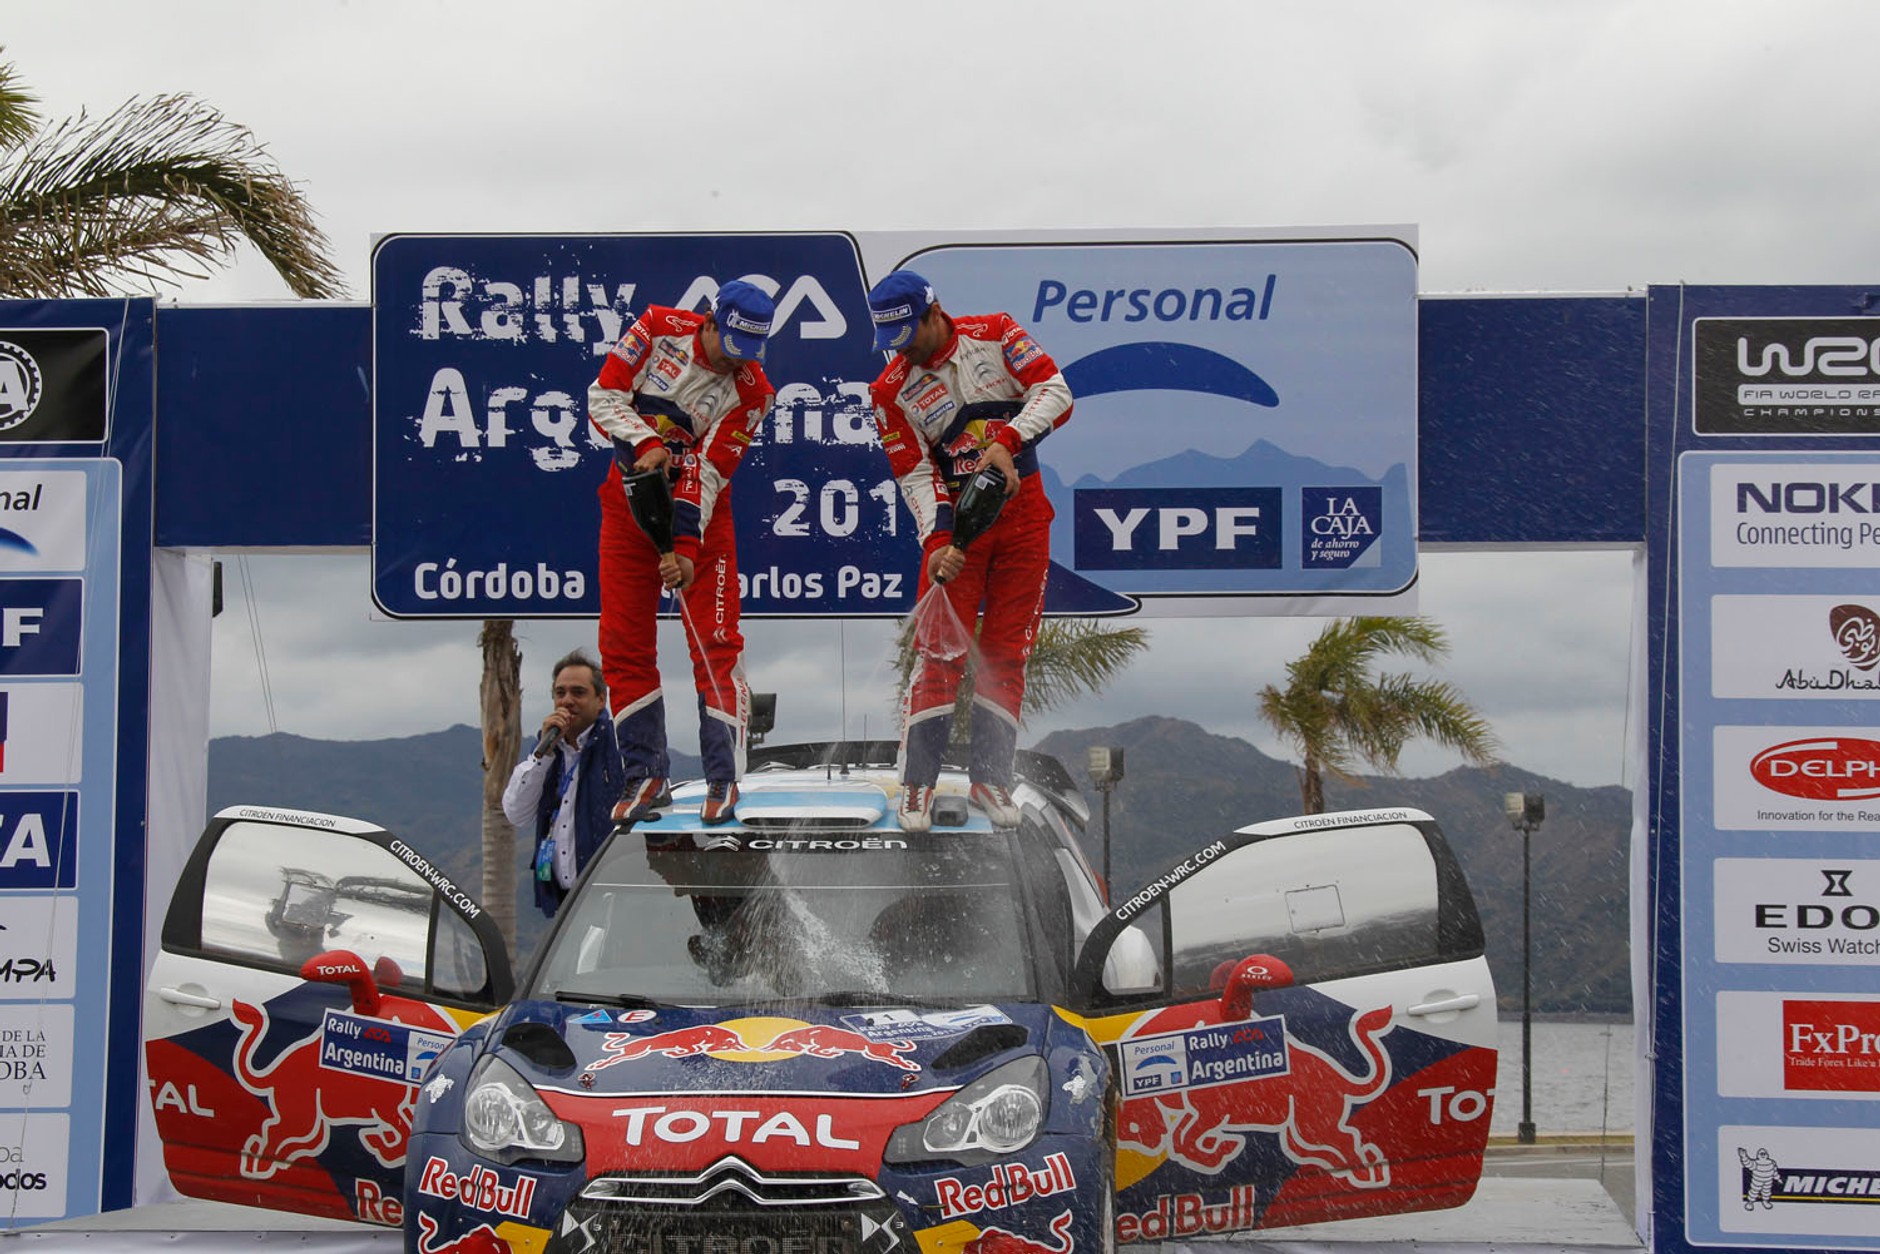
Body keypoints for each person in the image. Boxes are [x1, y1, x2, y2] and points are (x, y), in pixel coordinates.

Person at [866, 270, 1073, 832]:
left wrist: (1007, 441)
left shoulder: (998, 333)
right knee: (939, 653)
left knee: (1008, 651)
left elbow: (1057, 391)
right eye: (893, 340)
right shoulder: (889, 389)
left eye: (909, 333)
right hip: (958, 523)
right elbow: (912, 472)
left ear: (934, 313)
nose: (904, 349)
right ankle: (917, 786)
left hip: (1025, 516)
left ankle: (991, 777)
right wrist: (938, 541)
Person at [587, 280, 776, 827]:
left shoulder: (753, 391)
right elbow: (603, 396)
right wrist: (645, 442)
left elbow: (710, 470)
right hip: (626, 508)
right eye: (729, 346)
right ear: (710, 321)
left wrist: (686, 546)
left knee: (716, 644)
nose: (734, 363)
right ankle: (645, 773)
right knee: (623, 642)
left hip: (705, 520)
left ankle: (723, 776)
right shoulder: (655, 328)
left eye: (748, 353)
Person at [501, 650, 626, 918]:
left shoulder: (621, 745)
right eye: (560, 693)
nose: (567, 701)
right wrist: (542, 756)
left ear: (600, 699)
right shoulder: (546, 749)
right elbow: (516, 813)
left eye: (578, 692)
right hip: (562, 902)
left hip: (611, 901)